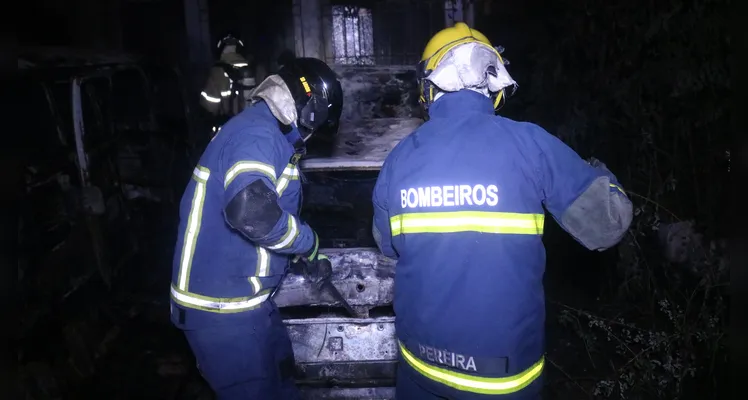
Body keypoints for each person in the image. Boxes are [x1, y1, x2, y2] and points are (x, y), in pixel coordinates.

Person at [371, 23, 633, 399]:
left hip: (420, 372)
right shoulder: (530, 144)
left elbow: (387, 247)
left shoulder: (397, 160)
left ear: (427, 88)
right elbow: (609, 224)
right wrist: (596, 172)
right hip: (504, 381)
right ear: (494, 85)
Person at [170, 56, 344, 399]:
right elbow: (252, 211)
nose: (310, 137)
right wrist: (307, 241)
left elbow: (269, 211)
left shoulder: (267, 134)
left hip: (248, 304)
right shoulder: (257, 133)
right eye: (315, 128)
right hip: (222, 310)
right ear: (311, 109)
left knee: (282, 380)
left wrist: (301, 257)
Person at [199, 33, 262, 135]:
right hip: (250, 125)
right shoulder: (250, 68)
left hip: (227, 129)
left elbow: (210, 106)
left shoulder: (217, 70)